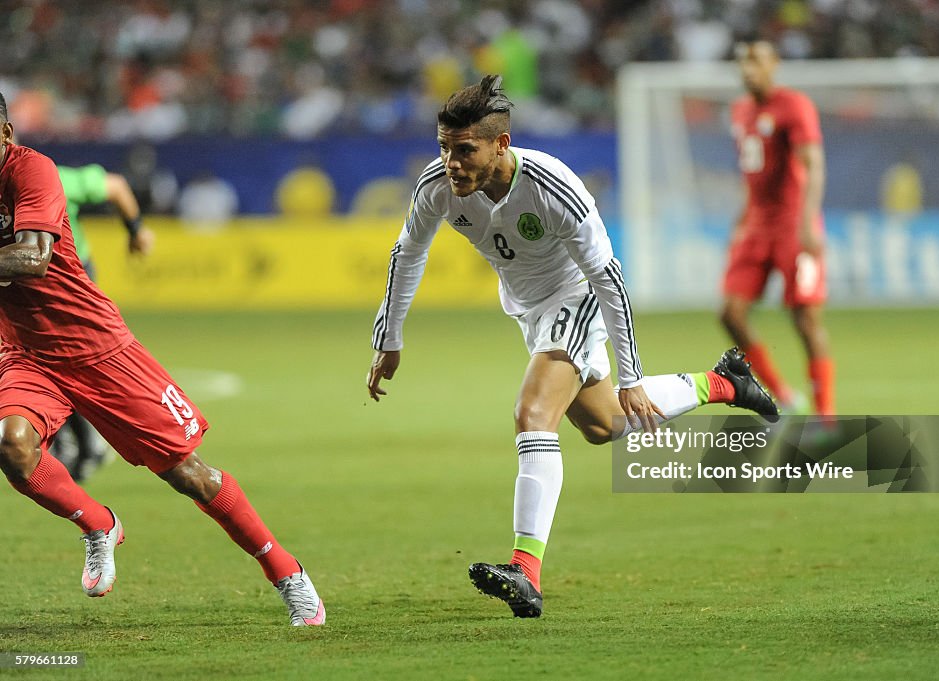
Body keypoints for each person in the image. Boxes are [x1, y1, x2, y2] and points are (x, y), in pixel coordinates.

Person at [366, 75, 777, 619]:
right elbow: (407, 254)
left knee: (532, 414)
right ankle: (723, 382)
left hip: (578, 294)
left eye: (464, 150)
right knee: (604, 425)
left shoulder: (551, 185)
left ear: (500, 145)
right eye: (444, 148)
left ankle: (526, 571)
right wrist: (388, 338)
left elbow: (609, 278)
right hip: (529, 309)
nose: (451, 163)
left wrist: (631, 375)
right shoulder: (437, 187)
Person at [0, 94, 325, 627]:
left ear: (7, 134)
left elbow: (32, 259)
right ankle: (99, 524)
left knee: (189, 476)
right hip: (27, 352)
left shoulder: (33, 170)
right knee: (12, 447)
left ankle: (286, 572)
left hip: (98, 349)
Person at [720, 38, 835, 416]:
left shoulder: (793, 105)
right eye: (744, 63)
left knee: (805, 318)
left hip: (793, 224)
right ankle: (783, 396)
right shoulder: (740, 111)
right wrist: (741, 222)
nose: (748, 69)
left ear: (774, 64)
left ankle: (825, 417)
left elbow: (813, 163)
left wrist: (809, 223)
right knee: (731, 314)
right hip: (757, 225)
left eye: (756, 62)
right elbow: (752, 175)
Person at [51, 163, 156, 482]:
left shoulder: (54, 178)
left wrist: (136, 230)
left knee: (68, 365)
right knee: (43, 365)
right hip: (25, 285)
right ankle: (74, 441)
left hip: (73, 281)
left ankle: (87, 443)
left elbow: (116, 186)